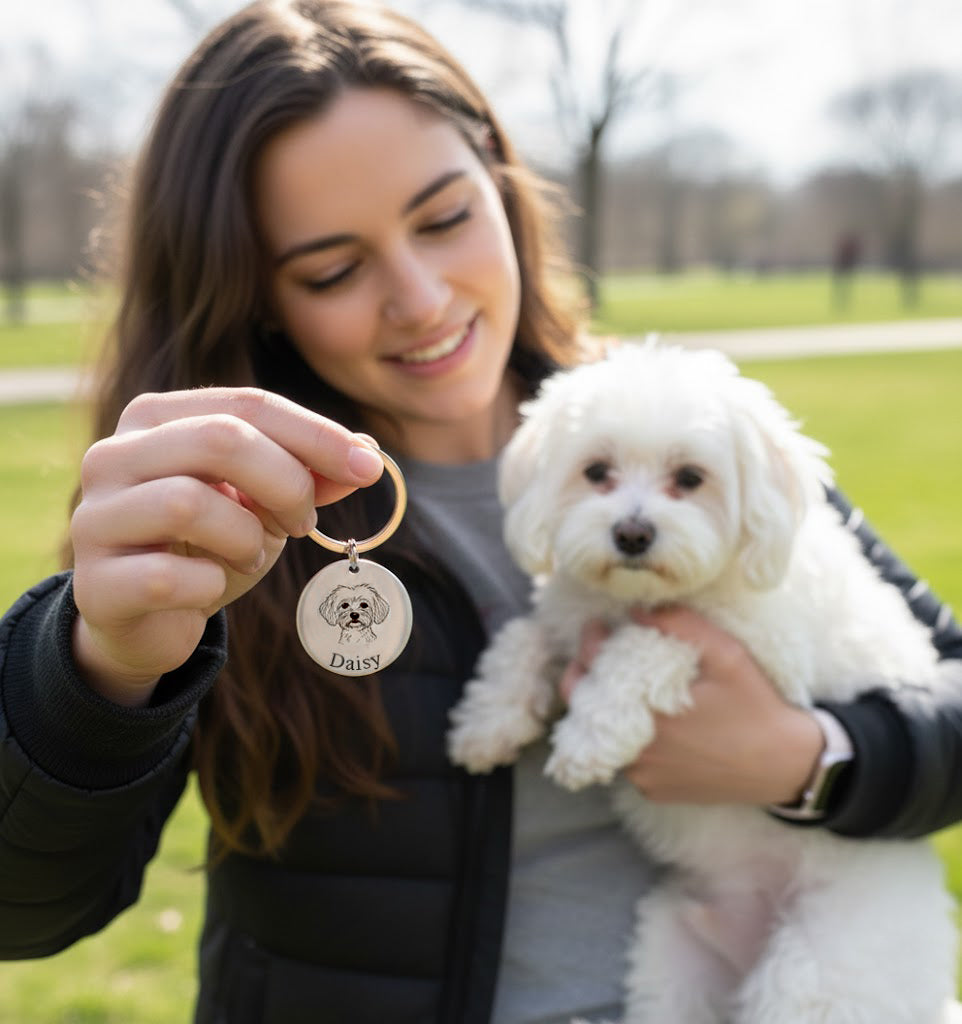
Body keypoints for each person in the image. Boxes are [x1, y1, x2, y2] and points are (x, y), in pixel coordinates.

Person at [0, 2, 960, 1022]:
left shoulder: (679, 426)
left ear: (503, 191)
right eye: (332, 269)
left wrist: (806, 758)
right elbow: (23, 913)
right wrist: (97, 670)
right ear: (252, 296)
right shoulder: (211, 516)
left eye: (445, 217)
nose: (417, 298)